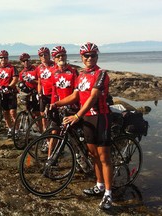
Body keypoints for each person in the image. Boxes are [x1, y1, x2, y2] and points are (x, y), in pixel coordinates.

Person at [50, 42, 113, 210]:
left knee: (104, 157)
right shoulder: (81, 76)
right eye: (86, 55)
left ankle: (108, 193)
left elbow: (93, 97)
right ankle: (99, 185)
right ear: (81, 58)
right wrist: (57, 104)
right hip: (87, 119)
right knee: (93, 155)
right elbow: (75, 96)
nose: (89, 58)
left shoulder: (101, 74)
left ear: (97, 57)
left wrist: (77, 115)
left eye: (93, 55)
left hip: (100, 118)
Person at [47, 46, 78, 156]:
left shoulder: (73, 72)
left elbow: (77, 94)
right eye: (58, 56)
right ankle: (49, 159)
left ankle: (78, 159)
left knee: (73, 136)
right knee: (54, 133)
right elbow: (54, 92)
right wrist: (52, 105)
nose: (61, 57)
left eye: (63, 55)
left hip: (71, 108)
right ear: (54, 58)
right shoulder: (54, 73)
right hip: (58, 107)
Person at [36, 47, 55, 131]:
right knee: (43, 116)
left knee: (55, 117)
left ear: (49, 55)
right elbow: (39, 82)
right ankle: (46, 137)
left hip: (54, 95)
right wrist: (39, 93)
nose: (43, 56)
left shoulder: (55, 66)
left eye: (45, 54)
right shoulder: (39, 68)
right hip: (44, 95)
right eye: (41, 55)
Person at [18, 53, 40, 118]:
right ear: (21, 63)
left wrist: (32, 81)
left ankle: (40, 127)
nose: (26, 62)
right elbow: (22, 83)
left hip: (36, 93)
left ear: (30, 60)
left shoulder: (36, 69)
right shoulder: (22, 73)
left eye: (27, 60)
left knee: (37, 113)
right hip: (27, 94)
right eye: (23, 61)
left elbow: (42, 82)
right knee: (27, 110)